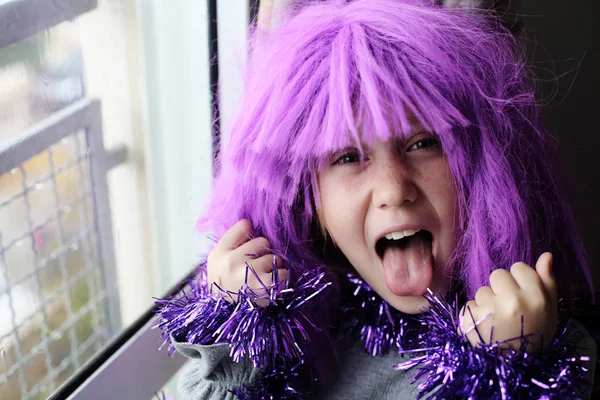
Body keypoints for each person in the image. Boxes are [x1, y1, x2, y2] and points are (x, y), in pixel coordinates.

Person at [155, 1, 597, 398]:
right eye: (347, 157)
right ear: (312, 199)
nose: (392, 189)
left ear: (480, 169)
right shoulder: (296, 339)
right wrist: (239, 331)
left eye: (423, 143)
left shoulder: (552, 350)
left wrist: (507, 376)